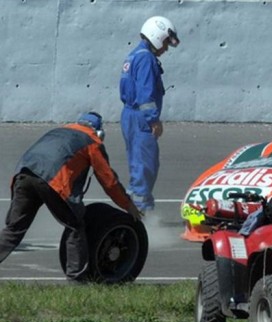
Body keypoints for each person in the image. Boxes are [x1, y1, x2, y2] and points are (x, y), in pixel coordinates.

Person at [0, 112, 141, 282]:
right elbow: (108, 180)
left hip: (23, 175)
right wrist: (127, 205)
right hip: (52, 181)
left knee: (14, 229)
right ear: (99, 132)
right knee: (75, 226)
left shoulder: (57, 132)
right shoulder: (92, 141)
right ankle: (76, 280)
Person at [120, 16, 180, 212]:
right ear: (156, 36)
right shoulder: (146, 58)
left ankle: (140, 206)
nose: (166, 48)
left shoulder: (135, 55)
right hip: (141, 120)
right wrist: (153, 120)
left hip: (130, 116)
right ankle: (141, 213)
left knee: (139, 165)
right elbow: (146, 95)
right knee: (145, 167)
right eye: (165, 43)